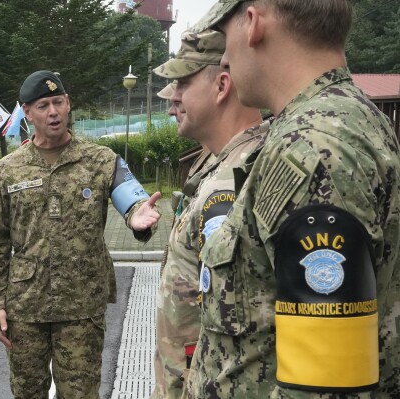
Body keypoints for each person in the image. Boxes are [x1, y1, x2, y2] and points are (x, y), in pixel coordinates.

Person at [183, 1, 400, 397]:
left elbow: (325, 383)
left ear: (251, 24)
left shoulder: (313, 146)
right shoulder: (340, 121)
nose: (227, 59)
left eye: (224, 38)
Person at [0, 70, 162, 399]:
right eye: (44, 105)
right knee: (27, 393)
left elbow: (134, 201)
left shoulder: (101, 161)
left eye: (58, 102)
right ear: (27, 112)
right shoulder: (9, 168)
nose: (53, 112)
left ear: (68, 104)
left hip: (81, 308)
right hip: (25, 309)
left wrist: (139, 219)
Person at [150, 28, 268, 399]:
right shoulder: (221, 165)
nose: (172, 101)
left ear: (221, 86)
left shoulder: (236, 179)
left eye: (182, 85)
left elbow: (234, 320)